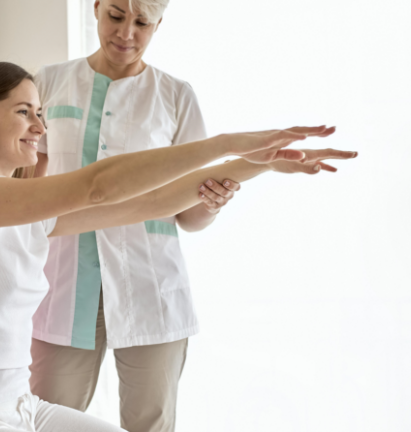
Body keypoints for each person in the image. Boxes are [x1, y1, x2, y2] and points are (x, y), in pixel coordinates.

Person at [0, 60, 354, 432]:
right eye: (24, 112)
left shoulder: (23, 215)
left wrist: (259, 163)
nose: (41, 127)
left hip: (21, 407)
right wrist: (224, 144)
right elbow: (98, 186)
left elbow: (153, 203)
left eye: (41, 113)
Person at [29, 1, 355, 430]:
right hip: (62, 288)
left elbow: (191, 214)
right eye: (115, 16)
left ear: (159, 23)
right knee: (43, 420)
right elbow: (31, 191)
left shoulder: (175, 96)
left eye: (142, 22)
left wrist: (211, 202)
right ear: (95, 8)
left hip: (151, 290)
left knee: (151, 424)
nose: (127, 33)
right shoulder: (48, 83)